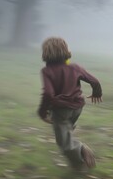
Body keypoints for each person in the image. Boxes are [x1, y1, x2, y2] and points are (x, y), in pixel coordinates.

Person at [38, 37, 102, 171]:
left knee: (64, 143)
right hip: (78, 107)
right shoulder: (75, 67)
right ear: (66, 51)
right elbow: (94, 81)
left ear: (46, 53)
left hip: (61, 110)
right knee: (67, 128)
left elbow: (49, 94)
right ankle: (73, 147)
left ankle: (80, 159)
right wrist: (97, 93)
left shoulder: (47, 71)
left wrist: (42, 112)